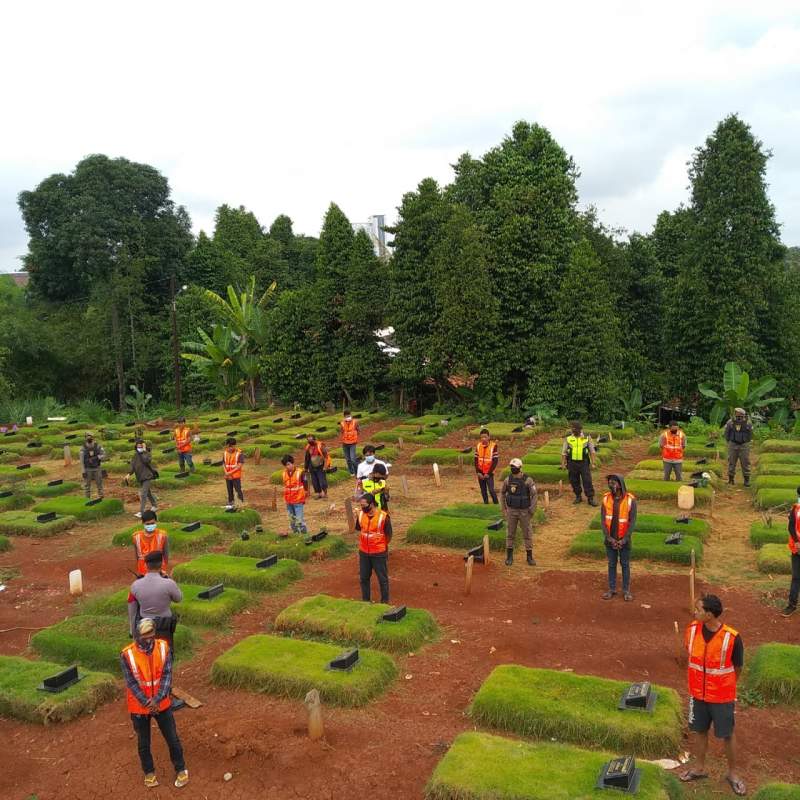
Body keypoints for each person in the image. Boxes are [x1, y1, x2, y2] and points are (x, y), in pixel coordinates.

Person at [680, 594, 745, 797]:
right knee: (699, 731)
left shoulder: (731, 637)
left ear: (709, 615)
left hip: (722, 697)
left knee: (727, 734)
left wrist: (726, 687)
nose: (694, 612)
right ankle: (699, 768)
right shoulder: (691, 630)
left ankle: (733, 774)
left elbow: (738, 667)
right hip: (697, 694)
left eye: (698, 610)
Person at [120, 617, 188, 789]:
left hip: (162, 703)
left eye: (151, 633)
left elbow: (166, 675)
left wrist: (156, 699)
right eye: (145, 635)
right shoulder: (127, 654)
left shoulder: (164, 648)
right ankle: (149, 772)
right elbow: (131, 682)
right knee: (144, 742)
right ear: (137, 635)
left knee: (172, 738)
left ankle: (181, 768)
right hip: (139, 707)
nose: (148, 638)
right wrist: (146, 702)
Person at [128, 551, 182, 646]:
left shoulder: (135, 585)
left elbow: (132, 610)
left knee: (146, 654)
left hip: (145, 626)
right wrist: (169, 579)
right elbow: (178, 598)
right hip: (164, 627)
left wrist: (132, 631)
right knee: (165, 654)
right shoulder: (169, 583)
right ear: (161, 565)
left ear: (146, 565)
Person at [600, 474, 637, 601]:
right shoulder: (605, 499)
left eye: (614, 483)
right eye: (610, 483)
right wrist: (609, 538)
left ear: (620, 485)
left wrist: (625, 539)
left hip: (624, 539)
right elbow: (603, 520)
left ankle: (626, 590)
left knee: (625, 564)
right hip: (610, 539)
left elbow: (632, 522)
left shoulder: (630, 500)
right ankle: (611, 589)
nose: (611, 485)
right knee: (611, 564)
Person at [499, 458, 537, 567]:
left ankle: (529, 557)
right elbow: (502, 493)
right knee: (510, 534)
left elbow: (534, 495)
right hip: (511, 511)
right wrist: (504, 509)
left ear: (520, 468)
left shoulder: (528, 480)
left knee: (527, 534)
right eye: (511, 467)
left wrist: (531, 510)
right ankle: (509, 557)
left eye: (514, 467)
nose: (512, 469)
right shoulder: (508, 480)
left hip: (524, 511)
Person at [355, 492, 392, 602]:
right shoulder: (361, 514)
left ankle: (384, 603)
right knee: (364, 578)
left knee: (382, 579)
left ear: (372, 504)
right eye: (361, 505)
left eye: (364, 505)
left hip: (379, 553)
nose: (362, 508)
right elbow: (358, 528)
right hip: (364, 552)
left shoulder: (383, 517)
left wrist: (381, 547)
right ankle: (365, 601)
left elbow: (389, 535)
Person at [560, 421, 597, 506]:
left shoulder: (587, 437)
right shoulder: (568, 438)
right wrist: (563, 464)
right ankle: (578, 496)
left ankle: (590, 498)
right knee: (574, 480)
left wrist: (593, 463)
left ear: (580, 429)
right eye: (572, 428)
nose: (573, 430)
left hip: (584, 463)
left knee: (587, 480)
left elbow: (592, 451)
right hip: (572, 463)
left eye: (575, 428)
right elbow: (564, 452)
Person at [132, 510, 170, 577]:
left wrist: (164, 569)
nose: (150, 525)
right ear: (143, 523)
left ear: (156, 521)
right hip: (143, 571)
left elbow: (166, 554)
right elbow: (136, 556)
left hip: (159, 570)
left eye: (152, 523)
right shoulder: (136, 537)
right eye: (148, 524)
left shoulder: (163, 535)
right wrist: (138, 570)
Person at [129, 439, 158, 519]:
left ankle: (142, 512)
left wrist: (145, 451)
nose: (139, 448)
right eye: (138, 447)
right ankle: (155, 505)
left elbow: (146, 461)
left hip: (147, 476)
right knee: (148, 492)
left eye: (141, 446)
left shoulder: (147, 454)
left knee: (143, 494)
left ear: (144, 446)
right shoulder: (135, 456)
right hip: (140, 477)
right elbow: (132, 466)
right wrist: (129, 474)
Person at [281, 454, 308, 535]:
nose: (287, 466)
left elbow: (306, 484)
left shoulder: (300, 472)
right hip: (289, 501)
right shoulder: (284, 473)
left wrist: (305, 494)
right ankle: (296, 534)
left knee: (299, 520)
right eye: (286, 465)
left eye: (289, 464)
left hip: (298, 500)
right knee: (292, 521)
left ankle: (304, 535)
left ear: (293, 463)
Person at [724, 408, 753, 486]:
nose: (738, 415)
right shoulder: (730, 422)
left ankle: (746, 480)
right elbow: (726, 433)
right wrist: (729, 442)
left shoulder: (748, 423)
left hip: (744, 445)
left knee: (745, 462)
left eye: (739, 414)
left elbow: (750, 434)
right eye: (736, 413)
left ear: (743, 414)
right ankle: (731, 479)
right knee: (731, 461)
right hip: (733, 444)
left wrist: (747, 443)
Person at [783, 488, 800, 616]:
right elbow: (791, 527)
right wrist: (797, 541)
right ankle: (792, 605)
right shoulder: (795, 509)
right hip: (797, 549)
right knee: (796, 578)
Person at [474, 428, 499, 505]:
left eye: (485, 437)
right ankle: (486, 504)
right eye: (481, 437)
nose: (483, 439)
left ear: (489, 437)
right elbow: (476, 460)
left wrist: (488, 473)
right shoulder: (478, 446)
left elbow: (495, 461)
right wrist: (478, 472)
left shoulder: (493, 446)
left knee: (491, 490)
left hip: (489, 473)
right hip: (480, 473)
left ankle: (496, 504)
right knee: (483, 490)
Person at [79, 432, 107, 500]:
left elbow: (104, 455)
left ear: (93, 437)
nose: (89, 438)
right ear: (85, 438)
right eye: (87, 436)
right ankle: (87, 499)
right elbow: (81, 461)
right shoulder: (83, 448)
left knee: (99, 483)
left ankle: (101, 497)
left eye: (90, 436)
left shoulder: (98, 446)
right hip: (87, 469)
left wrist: (97, 457)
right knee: (87, 485)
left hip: (97, 468)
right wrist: (83, 471)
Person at [303, 434, 330, 499]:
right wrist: (306, 467)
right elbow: (307, 458)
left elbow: (326, 456)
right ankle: (319, 494)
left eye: (311, 440)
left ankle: (325, 493)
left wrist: (325, 466)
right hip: (312, 466)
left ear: (314, 439)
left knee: (322, 481)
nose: (310, 441)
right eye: (308, 440)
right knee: (315, 481)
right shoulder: (308, 447)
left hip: (320, 466)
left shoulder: (320, 446)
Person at [223, 437, 245, 510]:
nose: (229, 448)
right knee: (229, 490)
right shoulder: (225, 453)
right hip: (228, 475)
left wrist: (229, 473)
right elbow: (223, 463)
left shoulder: (239, 454)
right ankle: (231, 503)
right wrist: (226, 473)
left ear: (234, 446)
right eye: (228, 446)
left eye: (230, 446)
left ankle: (241, 503)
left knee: (238, 489)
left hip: (235, 476)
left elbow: (239, 466)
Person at [339, 409, 361, 476]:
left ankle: (357, 472)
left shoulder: (355, 422)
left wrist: (355, 437)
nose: (348, 417)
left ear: (351, 415)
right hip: (345, 443)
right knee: (348, 459)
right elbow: (342, 432)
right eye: (346, 416)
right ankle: (351, 472)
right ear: (344, 416)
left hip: (352, 443)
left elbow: (358, 430)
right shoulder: (342, 423)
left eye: (349, 415)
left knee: (353, 459)